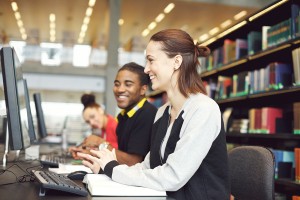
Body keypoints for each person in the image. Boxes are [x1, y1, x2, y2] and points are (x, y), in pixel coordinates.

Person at [78, 29, 230, 200]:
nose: (146, 69)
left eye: (151, 60)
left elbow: (173, 176)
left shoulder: (203, 109)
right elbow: (148, 167)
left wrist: (114, 169)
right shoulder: (162, 112)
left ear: (176, 61)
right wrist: (104, 168)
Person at [72, 62, 158, 166]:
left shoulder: (147, 114)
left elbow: (133, 163)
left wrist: (100, 143)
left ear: (143, 89)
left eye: (128, 84)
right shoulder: (123, 116)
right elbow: (120, 156)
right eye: (117, 84)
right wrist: (88, 154)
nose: (120, 89)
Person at [69, 93, 118, 159]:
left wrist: (97, 143)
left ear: (100, 110)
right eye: (88, 121)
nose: (91, 123)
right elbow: (106, 150)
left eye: (92, 116)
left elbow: (117, 153)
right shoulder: (104, 129)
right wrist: (85, 152)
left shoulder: (114, 126)